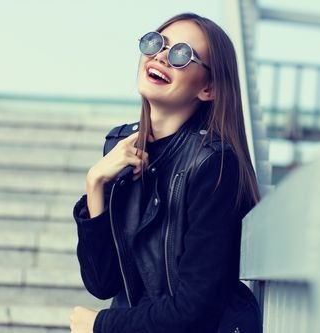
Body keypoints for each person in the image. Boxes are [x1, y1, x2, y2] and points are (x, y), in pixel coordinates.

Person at [70, 12, 262, 333]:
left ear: (208, 89)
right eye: (156, 43)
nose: (161, 56)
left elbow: (195, 310)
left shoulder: (215, 164)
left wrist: (102, 324)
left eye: (182, 55)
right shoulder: (121, 147)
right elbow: (102, 282)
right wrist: (96, 183)